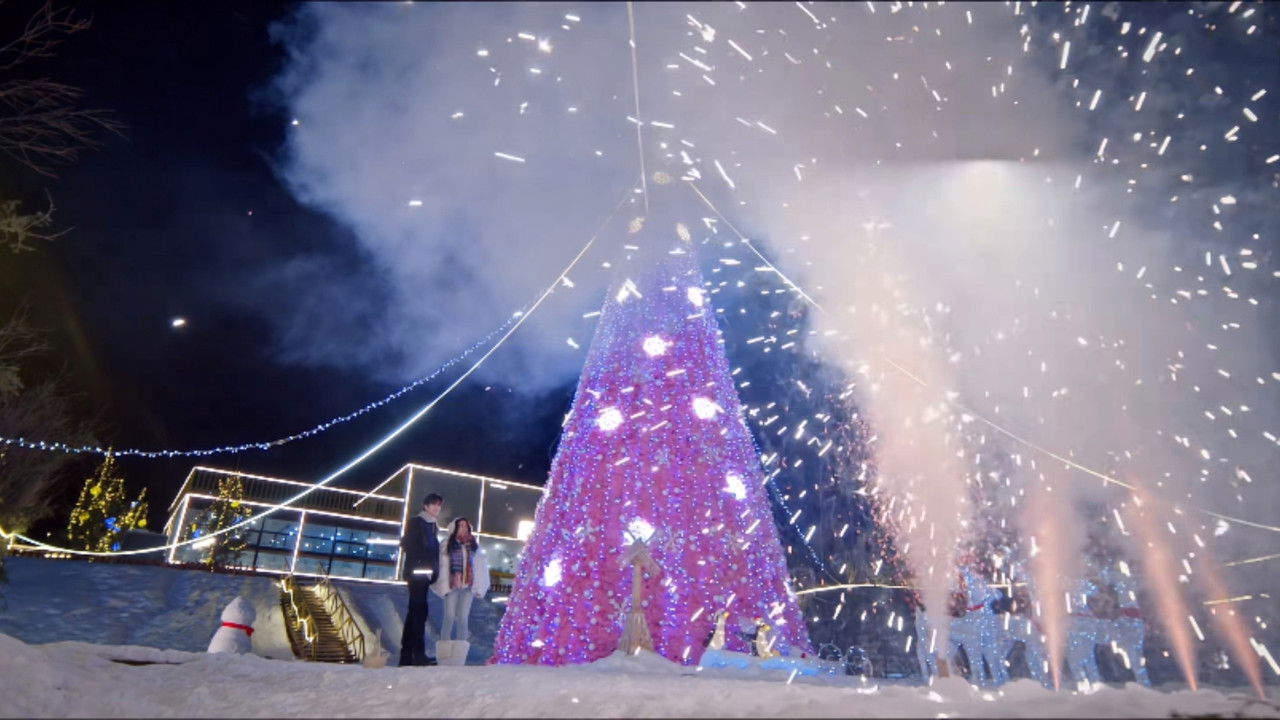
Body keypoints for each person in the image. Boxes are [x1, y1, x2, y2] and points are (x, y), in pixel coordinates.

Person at [399, 493, 443, 666]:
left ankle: (407, 656)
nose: (437, 507)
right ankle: (417, 655)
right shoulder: (418, 522)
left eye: (439, 505)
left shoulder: (432, 525)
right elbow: (407, 544)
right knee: (418, 614)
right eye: (433, 504)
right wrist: (422, 563)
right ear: (425, 506)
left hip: (423, 576)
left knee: (415, 615)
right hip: (417, 575)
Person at [432, 517, 489, 647]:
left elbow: (480, 567)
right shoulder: (447, 544)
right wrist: (442, 585)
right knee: (449, 617)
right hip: (452, 586)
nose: (463, 528)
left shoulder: (474, 546)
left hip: (467, 587)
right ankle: (444, 648)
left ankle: (460, 649)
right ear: (455, 527)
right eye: (460, 525)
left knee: (463, 618)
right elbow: (442, 566)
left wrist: (480, 587)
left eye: (465, 526)